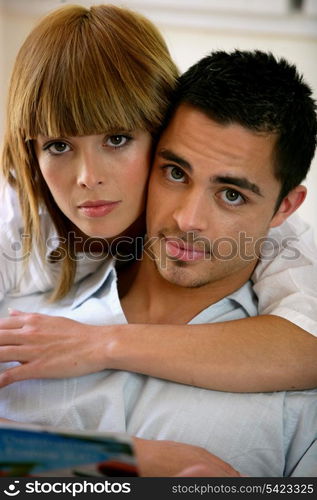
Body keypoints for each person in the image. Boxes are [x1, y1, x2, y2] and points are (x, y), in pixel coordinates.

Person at [1, 49, 316, 477]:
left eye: (231, 195)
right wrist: (135, 462)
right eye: (175, 173)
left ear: (285, 208)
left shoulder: (300, 393)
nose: (188, 220)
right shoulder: (25, 317)